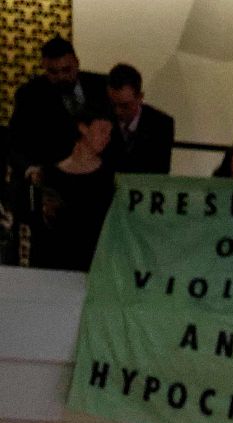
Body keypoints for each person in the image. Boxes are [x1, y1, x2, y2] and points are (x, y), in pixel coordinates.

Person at [29, 108, 116, 272]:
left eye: (109, 133)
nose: (106, 138)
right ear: (83, 128)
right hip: (54, 261)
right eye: (102, 131)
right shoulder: (51, 173)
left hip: (93, 261)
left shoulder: (109, 176)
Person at [8, 36, 110, 174]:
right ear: (44, 67)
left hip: (101, 172)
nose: (61, 77)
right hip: (54, 173)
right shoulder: (30, 94)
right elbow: (15, 142)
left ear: (77, 63)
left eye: (66, 70)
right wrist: (30, 170)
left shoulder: (102, 86)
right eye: (53, 72)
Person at [103, 63, 174, 175]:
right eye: (113, 104)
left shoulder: (161, 125)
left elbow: (160, 172)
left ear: (140, 97)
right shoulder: (100, 121)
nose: (117, 111)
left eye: (125, 106)